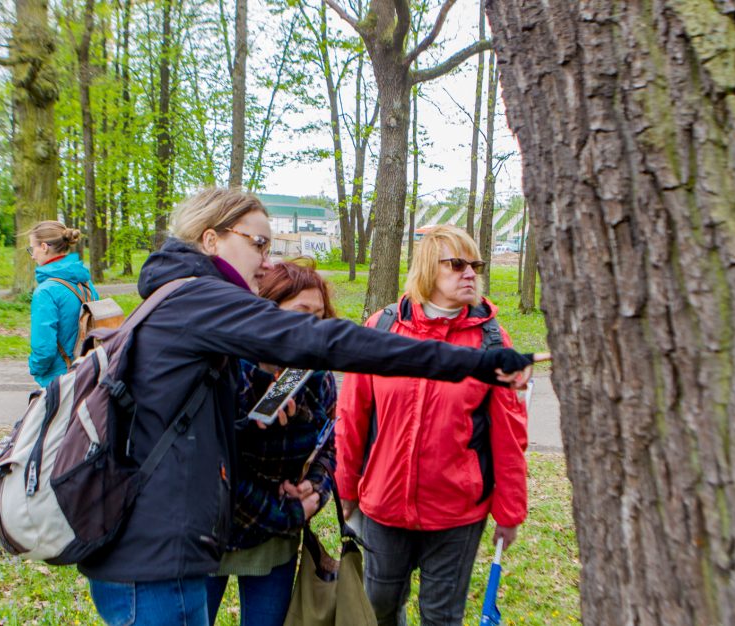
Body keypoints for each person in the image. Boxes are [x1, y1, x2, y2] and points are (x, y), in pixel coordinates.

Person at [78, 188, 536, 626]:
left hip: (156, 545)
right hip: (154, 553)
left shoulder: (176, 296)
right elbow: (327, 341)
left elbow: (190, 423)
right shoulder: (199, 297)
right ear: (211, 239)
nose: (267, 259)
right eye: (258, 243)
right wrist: (475, 363)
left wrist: (270, 439)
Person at [335, 225, 529, 626]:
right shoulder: (382, 328)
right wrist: (346, 488)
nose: (470, 273)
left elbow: (510, 434)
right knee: (379, 606)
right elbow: (353, 416)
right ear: (427, 268)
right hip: (384, 505)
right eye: (457, 264)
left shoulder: (493, 342)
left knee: (441, 616)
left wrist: (509, 511)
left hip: (457, 512)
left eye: (475, 264)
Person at [206, 259, 338, 626]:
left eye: (319, 314)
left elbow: (330, 443)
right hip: (213, 529)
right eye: (300, 311)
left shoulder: (317, 376)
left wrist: (313, 487)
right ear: (267, 310)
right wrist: (287, 513)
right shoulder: (226, 367)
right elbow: (214, 462)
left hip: (275, 540)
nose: (311, 324)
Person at [26, 221, 98, 387]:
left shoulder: (46, 291)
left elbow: (44, 348)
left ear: (44, 247)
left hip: (59, 379)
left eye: (32, 249)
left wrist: (35, 369)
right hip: (87, 372)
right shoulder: (85, 282)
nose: (32, 255)